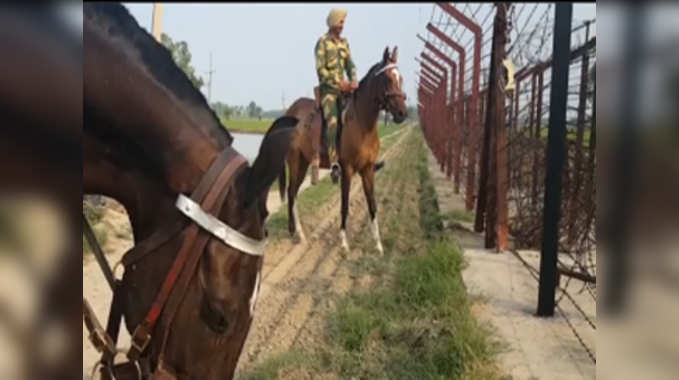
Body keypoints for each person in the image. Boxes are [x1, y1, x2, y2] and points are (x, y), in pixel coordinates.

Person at [314, 8, 358, 184]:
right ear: (333, 22)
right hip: (329, 92)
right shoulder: (322, 42)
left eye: (343, 22)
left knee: (358, 117)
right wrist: (338, 83)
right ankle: (334, 163)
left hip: (346, 90)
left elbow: (350, 64)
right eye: (340, 22)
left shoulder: (345, 43)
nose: (342, 25)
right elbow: (321, 70)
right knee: (333, 122)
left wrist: (354, 79)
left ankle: (360, 157)